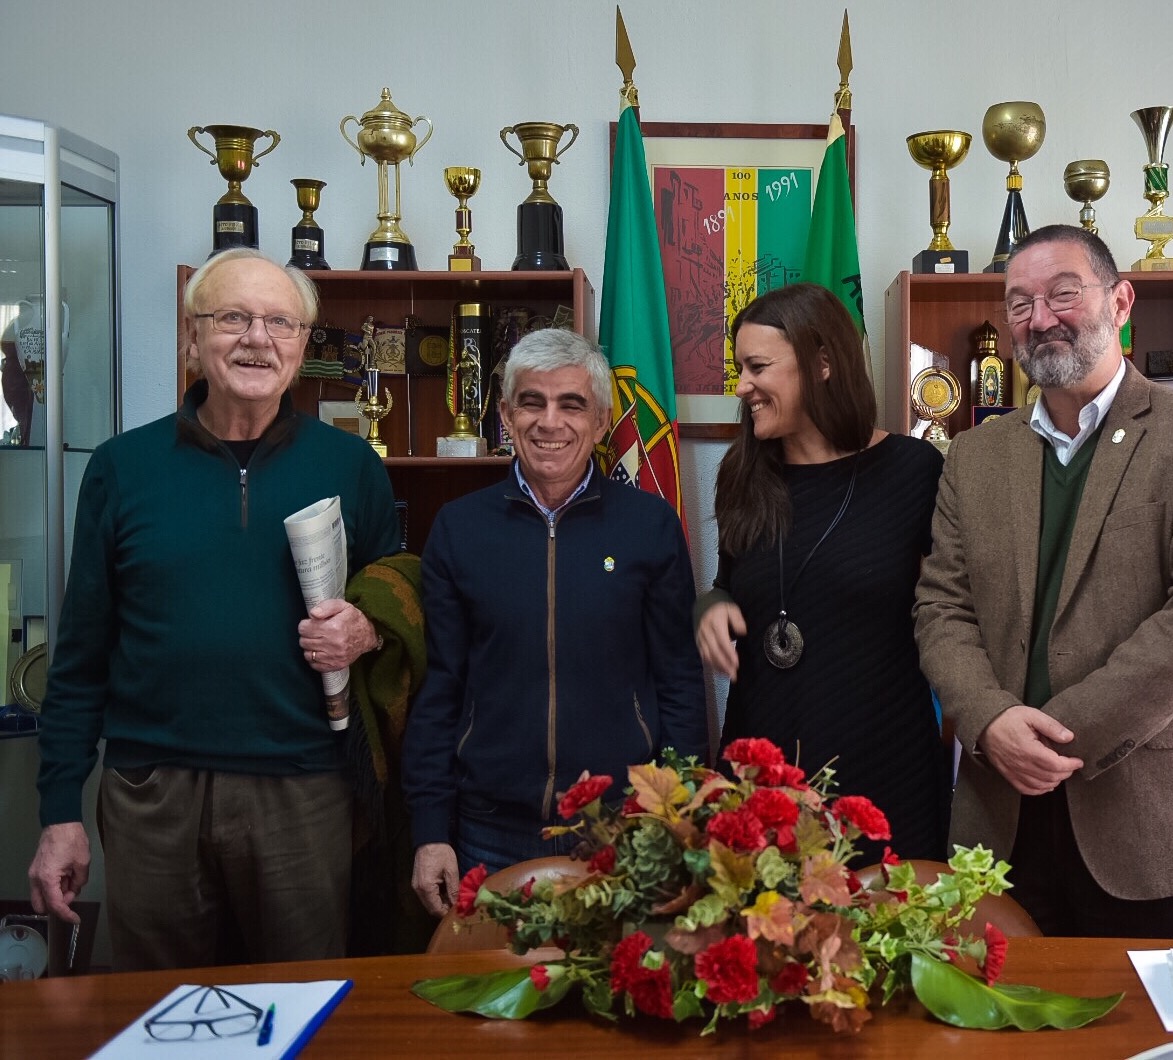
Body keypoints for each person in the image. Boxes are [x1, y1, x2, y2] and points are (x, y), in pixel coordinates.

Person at [28, 247, 401, 970]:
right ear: (190, 336)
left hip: (305, 790)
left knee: (302, 1009)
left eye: (279, 323)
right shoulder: (120, 467)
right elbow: (78, 659)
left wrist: (367, 629)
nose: (256, 338)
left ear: (300, 346)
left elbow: (395, 607)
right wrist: (58, 812)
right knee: (156, 1017)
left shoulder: (353, 467)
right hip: (151, 797)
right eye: (232, 317)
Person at [915, 224, 1173, 937]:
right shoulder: (973, 454)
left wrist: (1064, 736)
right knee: (988, 1037)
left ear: (1119, 302)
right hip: (996, 816)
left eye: (1063, 294)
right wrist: (989, 719)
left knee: (1140, 1042)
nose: (1040, 318)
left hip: (1141, 819)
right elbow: (942, 605)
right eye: (1019, 304)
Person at [403, 327, 708, 916]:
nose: (550, 422)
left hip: (621, 828)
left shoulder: (650, 526)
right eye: (532, 402)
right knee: (491, 1003)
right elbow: (440, 689)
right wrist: (429, 828)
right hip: (488, 830)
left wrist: (681, 818)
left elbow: (679, 682)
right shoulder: (458, 528)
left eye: (572, 404)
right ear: (505, 415)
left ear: (599, 423)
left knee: (617, 1002)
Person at [694, 283, 948, 863]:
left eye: (758, 367)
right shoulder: (741, 473)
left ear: (823, 363)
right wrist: (708, 607)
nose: (742, 387)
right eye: (739, 369)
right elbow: (729, 586)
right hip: (765, 763)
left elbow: (954, 609)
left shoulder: (914, 471)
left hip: (883, 759)